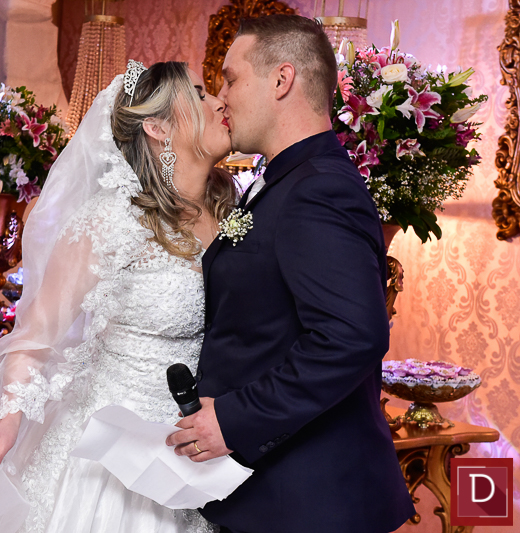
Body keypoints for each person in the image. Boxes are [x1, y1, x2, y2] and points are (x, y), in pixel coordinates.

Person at [165, 15, 416, 533]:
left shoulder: (318, 188)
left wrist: (234, 419)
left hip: (309, 503)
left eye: (231, 78)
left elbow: (351, 336)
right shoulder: (284, 180)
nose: (221, 97)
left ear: (282, 80)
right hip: (273, 496)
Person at [0, 60, 235, 533]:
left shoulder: (233, 209)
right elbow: (37, 334)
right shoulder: (110, 221)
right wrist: (9, 416)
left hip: (204, 441)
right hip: (115, 452)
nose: (218, 101)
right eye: (198, 93)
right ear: (157, 127)